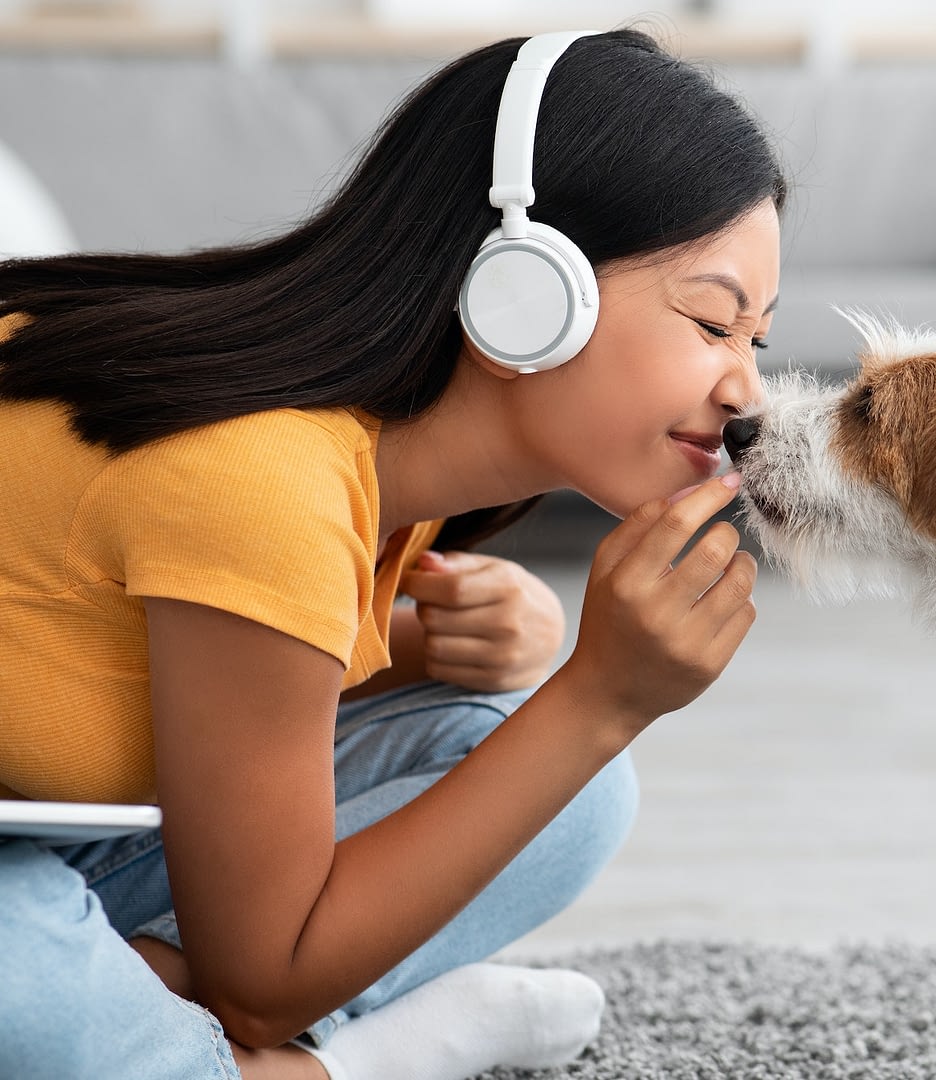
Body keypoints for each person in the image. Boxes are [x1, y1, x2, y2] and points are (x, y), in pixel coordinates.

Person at [0, 28, 784, 1080]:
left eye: (757, 342)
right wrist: (601, 696)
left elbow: (167, 672)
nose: (748, 391)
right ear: (527, 283)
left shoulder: (366, 465)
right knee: (25, 981)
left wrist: (423, 646)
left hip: (62, 828)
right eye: (713, 322)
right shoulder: (264, 477)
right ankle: (333, 1065)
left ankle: (144, 1023)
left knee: (575, 785)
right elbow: (257, 975)